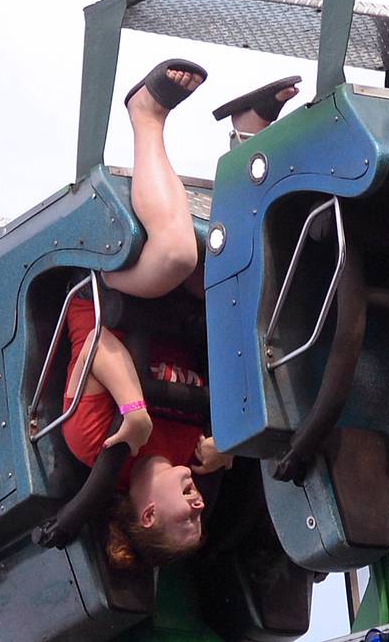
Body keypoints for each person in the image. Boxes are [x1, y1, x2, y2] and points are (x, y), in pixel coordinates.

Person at [36, 61, 233, 569]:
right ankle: (250, 132)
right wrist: (231, 440)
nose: (198, 504)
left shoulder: (94, 444)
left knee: (174, 255)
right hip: (173, 307)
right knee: (248, 279)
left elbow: (99, 347)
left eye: (185, 519)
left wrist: (133, 409)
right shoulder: (194, 448)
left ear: (147, 515)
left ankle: (145, 113)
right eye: (202, 516)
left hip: (106, 295)